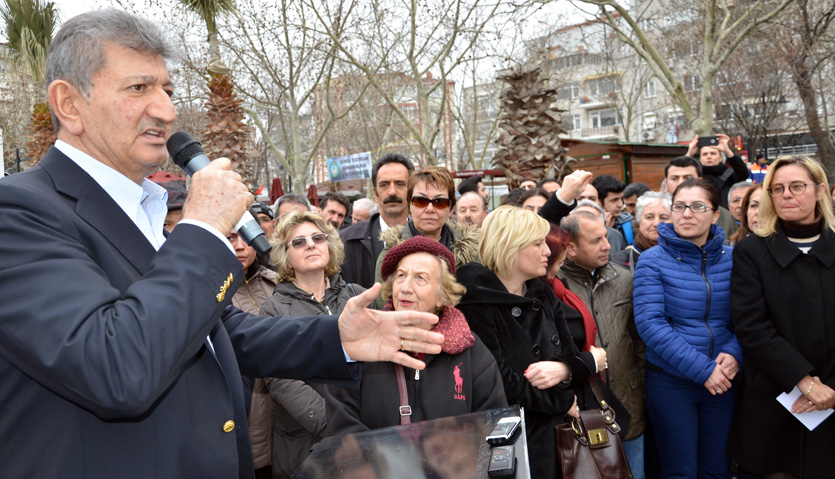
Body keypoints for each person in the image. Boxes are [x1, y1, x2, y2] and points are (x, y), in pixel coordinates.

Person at [0, 10, 445, 478]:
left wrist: (339, 337)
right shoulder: (19, 212)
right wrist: (202, 229)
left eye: (167, 91)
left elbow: (218, 334)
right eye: (138, 88)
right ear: (69, 104)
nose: (166, 111)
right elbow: (115, 366)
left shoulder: (138, 208)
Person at [324, 236, 507, 434]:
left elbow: (493, 423)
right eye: (401, 276)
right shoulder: (363, 341)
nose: (405, 288)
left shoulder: (470, 352)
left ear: (442, 296)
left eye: (420, 278)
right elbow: (341, 421)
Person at [456, 206, 585, 479]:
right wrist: (560, 400)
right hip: (510, 438)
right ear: (509, 246)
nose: (547, 252)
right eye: (537, 244)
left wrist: (564, 370)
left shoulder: (543, 293)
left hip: (556, 436)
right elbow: (499, 380)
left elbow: (571, 353)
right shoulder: (475, 301)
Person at [729, 156, 835, 478]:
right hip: (775, 398)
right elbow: (752, 326)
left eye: (797, 186)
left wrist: (831, 389)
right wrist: (804, 382)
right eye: (778, 188)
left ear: (820, 191)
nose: (786, 194)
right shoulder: (752, 251)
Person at [633, 178, 741, 479]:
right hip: (672, 382)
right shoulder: (653, 260)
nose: (687, 214)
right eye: (679, 206)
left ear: (716, 214)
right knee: (680, 470)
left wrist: (735, 354)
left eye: (697, 206)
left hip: (723, 380)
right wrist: (703, 370)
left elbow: (749, 319)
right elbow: (650, 325)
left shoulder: (734, 259)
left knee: (717, 468)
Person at [259, 211, 364, 479]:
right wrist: (336, 424)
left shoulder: (358, 297)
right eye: (299, 242)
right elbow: (280, 380)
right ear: (286, 255)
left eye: (318, 238)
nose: (310, 245)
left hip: (366, 433)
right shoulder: (274, 309)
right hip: (306, 443)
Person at [559, 211, 647, 478]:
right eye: (596, 240)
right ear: (570, 247)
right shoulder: (555, 286)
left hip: (627, 402)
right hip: (582, 409)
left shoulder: (624, 279)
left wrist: (643, 385)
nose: (607, 245)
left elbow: (638, 340)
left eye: (606, 237)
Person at [228, 219, 279, 479]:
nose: (239, 246)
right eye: (230, 238)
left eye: (246, 238)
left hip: (283, 407)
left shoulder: (276, 283)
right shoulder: (214, 293)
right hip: (247, 410)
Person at [375, 166, 479, 289]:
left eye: (439, 202)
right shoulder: (390, 256)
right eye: (421, 201)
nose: (430, 209)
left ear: (450, 208)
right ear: (410, 205)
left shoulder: (472, 253)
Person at [339, 153, 413, 289]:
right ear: (375, 194)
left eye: (400, 184)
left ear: (412, 191)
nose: (392, 192)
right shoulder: (345, 242)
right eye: (384, 184)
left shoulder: (429, 237)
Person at [664, 155, 739, 239]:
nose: (681, 183)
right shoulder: (653, 214)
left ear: (700, 180)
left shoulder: (724, 216)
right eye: (674, 178)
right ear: (666, 184)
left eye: (688, 178)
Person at [611, 192, 672, 271]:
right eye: (649, 217)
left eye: (664, 217)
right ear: (639, 222)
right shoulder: (621, 260)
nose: (656, 223)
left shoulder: (684, 255)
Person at [686, 134, 750, 209]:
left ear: (720, 158)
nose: (709, 156)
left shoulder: (730, 174)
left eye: (713, 153)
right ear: (700, 158)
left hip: (726, 216)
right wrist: (689, 154)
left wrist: (727, 151)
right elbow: (678, 172)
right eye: (705, 154)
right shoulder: (695, 175)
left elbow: (744, 174)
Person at [592, 174, 635, 245]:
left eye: (621, 199)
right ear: (598, 201)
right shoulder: (586, 226)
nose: (620, 204)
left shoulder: (630, 225)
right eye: (614, 200)